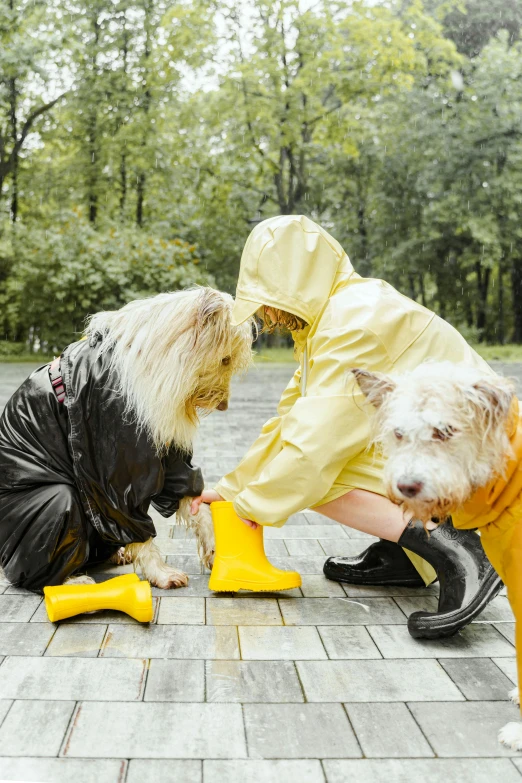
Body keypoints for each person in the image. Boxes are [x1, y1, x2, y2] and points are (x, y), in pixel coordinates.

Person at [192, 214, 502, 638]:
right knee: (305, 461)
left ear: (298, 283)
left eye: (271, 299)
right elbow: (287, 421)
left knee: (317, 473)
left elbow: (314, 446)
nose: (270, 316)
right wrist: (231, 488)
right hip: (447, 454)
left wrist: (249, 510)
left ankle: (460, 552)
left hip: (480, 467)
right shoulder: (334, 317)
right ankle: (409, 557)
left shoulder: (353, 323)